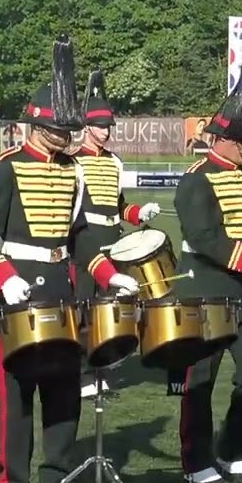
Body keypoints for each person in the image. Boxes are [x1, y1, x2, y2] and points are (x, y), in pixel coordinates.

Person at [0, 35, 97, 483]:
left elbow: (80, 235)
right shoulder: (6, 169)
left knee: (64, 393)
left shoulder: (75, 172)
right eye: (61, 129)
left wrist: (110, 272)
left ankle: (58, 481)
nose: (68, 137)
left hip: (62, 294)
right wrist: (4, 276)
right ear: (38, 126)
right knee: (18, 398)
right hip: (16, 295)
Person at [167, 53, 242, 483]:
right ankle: (196, 462)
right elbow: (205, 238)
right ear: (227, 138)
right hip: (204, 288)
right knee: (199, 378)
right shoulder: (196, 178)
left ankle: (233, 450)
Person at [71, 69, 159, 397]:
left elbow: (117, 205)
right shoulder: (74, 161)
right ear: (86, 127)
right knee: (83, 309)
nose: (105, 132)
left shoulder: (115, 162)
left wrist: (138, 213)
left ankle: (102, 369)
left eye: (108, 127)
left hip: (113, 242)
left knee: (110, 310)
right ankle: (81, 373)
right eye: (99, 126)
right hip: (85, 241)